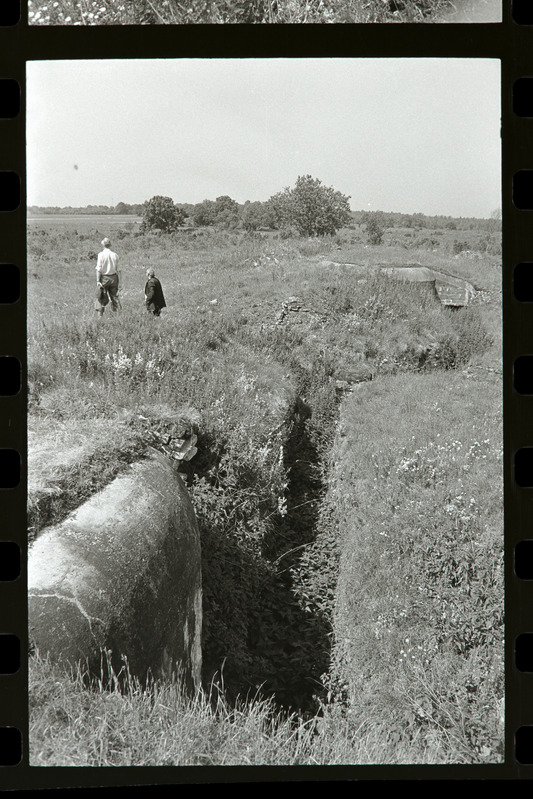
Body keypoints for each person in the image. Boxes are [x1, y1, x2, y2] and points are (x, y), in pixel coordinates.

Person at [95, 237, 120, 316]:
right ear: (110, 245)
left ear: (103, 245)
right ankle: (117, 314)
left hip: (104, 278)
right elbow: (118, 270)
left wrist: (98, 281)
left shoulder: (101, 255)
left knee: (100, 297)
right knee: (114, 297)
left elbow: (99, 269)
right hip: (114, 277)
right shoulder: (115, 255)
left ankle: (100, 316)